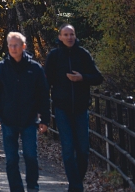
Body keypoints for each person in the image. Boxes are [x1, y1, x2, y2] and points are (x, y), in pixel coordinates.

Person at [0, 31, 50, 192]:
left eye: (16, 45)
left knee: (30, 156)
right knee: (11, 160)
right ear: (7, 47)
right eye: (10, 45)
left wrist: (45, 119)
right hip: (8, 119)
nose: (13, 48)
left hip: (29, 120)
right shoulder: (0, 68)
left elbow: (43, 94)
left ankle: (32, 188)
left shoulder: (34, 68)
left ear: (23, 46)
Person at [45, 24, 103, 192]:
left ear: (75, 36)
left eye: (72, 34)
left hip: (80, 108)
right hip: (62, 108)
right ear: (60, 37)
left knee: (83, 150)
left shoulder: (83, 54)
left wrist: (82, 78)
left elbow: (98, 77)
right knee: (68, 149)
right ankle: (76, 187)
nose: (69, 37)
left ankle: (75, 184)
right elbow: (45, 82)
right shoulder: (54, 56)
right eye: (66, 34)